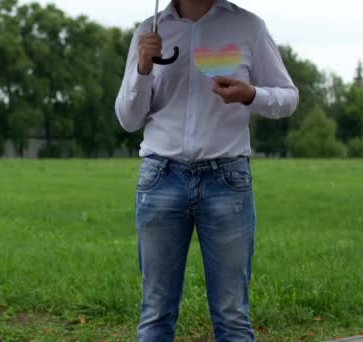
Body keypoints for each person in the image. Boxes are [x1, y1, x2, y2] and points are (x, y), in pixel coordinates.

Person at [114, 0, 299, 341]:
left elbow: (288, 97)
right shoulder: (150, 31)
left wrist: (251, 95)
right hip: (160, 178)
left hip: (226, 179)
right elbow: (128, 118)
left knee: (232, 316)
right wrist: (142, 67)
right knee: (155, 315)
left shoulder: (248, 27)